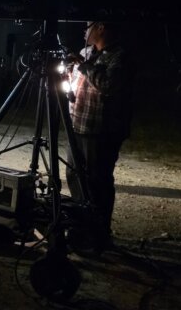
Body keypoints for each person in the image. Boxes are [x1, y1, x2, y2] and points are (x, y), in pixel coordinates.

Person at [66, 21, 134, 252]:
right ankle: (79, 226)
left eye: (88, 26)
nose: (84, 31)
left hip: (101, 130)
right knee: (75, 176)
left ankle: (98, 235)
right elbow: (75, 83)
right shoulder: (86, 53)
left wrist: (84, 67)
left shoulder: (120, 56)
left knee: (97, 182)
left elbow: (108, 85)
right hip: (77, 123)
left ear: (101, 27)